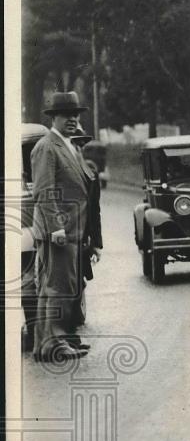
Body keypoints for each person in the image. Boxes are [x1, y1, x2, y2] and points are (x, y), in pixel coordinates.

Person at [30, 92, 92, 361]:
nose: (73, 119)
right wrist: (56, 228)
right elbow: (44, 190)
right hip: (59, 231)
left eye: (76, 114)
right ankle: (51, 345)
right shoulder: (47, 146)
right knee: (56, 288)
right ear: (53, 117)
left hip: (71, 230)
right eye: (67, 115)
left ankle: (51, 343)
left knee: (59, 287)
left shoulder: (68, 146)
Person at [70, 127, 103, 329]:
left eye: (81, 144)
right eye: (74, 143)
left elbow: (94, 211)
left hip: (82, 237)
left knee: (78, 280)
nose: (77, 148)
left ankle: (72, 325)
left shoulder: (91, 174)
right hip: (64, 235)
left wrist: (97, 243)